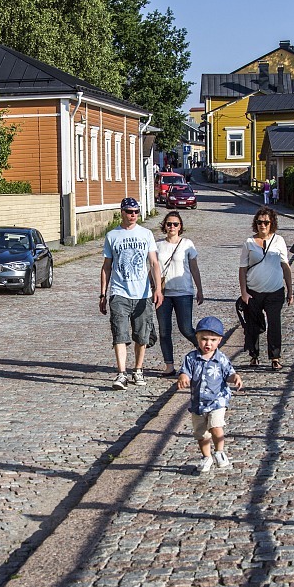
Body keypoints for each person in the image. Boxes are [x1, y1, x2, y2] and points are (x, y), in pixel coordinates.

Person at [100, 197, 164, 390]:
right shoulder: (112, 236)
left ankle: (138, 369)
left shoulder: (146, 234)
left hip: (142, 293)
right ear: (122, 212)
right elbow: (106, 267)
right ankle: (121, 373)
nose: (133, 215)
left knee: (142, 335)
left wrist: (158, 289)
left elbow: (153, 263)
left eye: (136, 211)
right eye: (129, 211)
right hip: (119, 292)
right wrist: (103, 294)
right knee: (119, 333)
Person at [177, 316, 243, 473]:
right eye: (204, 339)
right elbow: (185, 371)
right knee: (201, 434)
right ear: (197, 338)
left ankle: (220, 452)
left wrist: (235, 378)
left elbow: (229, 373)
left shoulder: (221, 359)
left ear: (219, 340)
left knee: (215, 426)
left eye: (213, 340)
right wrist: (183, 377)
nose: (208, 343)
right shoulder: (191, 358)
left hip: (217, 400)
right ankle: (206, 457)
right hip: (198, 403)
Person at [239, 207, 294, 370]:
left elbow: (285, 266)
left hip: (275, 291)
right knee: (253, 325)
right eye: (259, 222)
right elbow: (242, 268)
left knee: (274, 323)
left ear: (272, 223)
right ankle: (254, 355)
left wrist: (290, 290)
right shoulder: (249, 242)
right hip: (253, 291)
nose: (262, 225)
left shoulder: (279, 241)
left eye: (266, 222)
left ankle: (275, 357)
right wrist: (243, 292)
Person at [156, 211, 205, 376]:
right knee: (164, 330)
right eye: (169, 224)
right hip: (163, 293)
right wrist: (153, 288)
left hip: (183, 292)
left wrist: (199, 289)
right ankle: (169, 366)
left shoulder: (187, 244)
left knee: (185, 328)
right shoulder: (157, 245)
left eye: (175, 224)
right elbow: (152, 269)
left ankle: (204, 350)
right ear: (164, 226)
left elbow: (194, 268)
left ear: (180, 226)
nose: (172, 227)